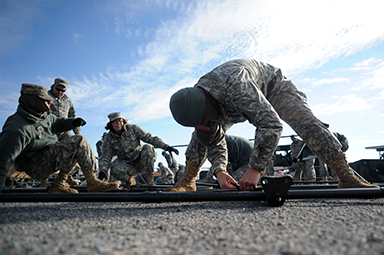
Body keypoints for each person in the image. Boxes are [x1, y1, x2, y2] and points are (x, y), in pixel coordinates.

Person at [168, 58, 378, 192]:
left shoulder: (235, 85)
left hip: (273, 88)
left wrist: (255, 169)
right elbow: (212, 138)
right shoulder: (196, 99)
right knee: (201, 135)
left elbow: (271, 125)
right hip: (224, 101)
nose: (206, 123)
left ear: (207, 109)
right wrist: (220, 171)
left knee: (305, 122)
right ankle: (187, 182)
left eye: (206, 119)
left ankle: (345, 175)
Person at [0, 83, 119, 193]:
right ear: (33, 101)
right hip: (35, 165)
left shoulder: (42, 115)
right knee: (78, 141)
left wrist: (72, 122)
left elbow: (56, 123)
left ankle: (59, 184)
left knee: (74, 148)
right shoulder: (17, 129)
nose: (50, 102)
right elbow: (3, 161)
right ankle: (92, 183)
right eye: (46, 100)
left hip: (47, 154)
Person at [98, 112, 179, 188]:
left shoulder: (133, 128)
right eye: (115, 122)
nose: (118, 123)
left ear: (123, 121)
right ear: (111, 124)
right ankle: (129, 181)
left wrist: (166, 147)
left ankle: (150, 181)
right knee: (115, 170)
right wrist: (103, 171)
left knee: (148, 147)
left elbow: (149, 137)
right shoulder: (108, 139)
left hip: (142, 160)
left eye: (120, 121)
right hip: (128, 165)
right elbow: (105, 156)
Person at [47, 78, 80, 186]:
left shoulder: (67, 100)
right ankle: (44, 180)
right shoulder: (45, 96)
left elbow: (72, 116)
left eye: (63, 90)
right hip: (49, 131)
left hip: (64, 131)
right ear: (53, 86)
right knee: (49, 154)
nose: (60, 92)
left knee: (78, 148)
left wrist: (77, 133)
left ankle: (65, 176)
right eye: (58, 89)